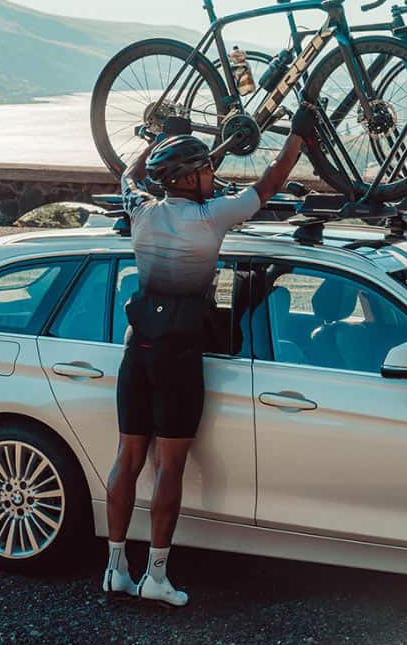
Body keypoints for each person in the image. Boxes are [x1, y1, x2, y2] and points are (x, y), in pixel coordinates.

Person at [102, 104, 319, 606]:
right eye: (205, 169)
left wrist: (154, 140)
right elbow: (267, 185)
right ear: (187, 178)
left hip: (138, 351)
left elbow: (128, 177)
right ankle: (156, 576)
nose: (212, 175)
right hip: (178, 357)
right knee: (170, 468)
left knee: (128, 458)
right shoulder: (210, 216)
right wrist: (298, 139)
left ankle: (115, 568)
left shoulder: (142, 209)